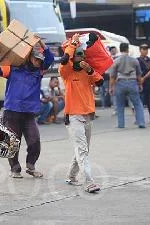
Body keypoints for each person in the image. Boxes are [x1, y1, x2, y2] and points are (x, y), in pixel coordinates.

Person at [0, 37, 54, 178]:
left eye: (40, 61)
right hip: (12, 111)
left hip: (29, 113)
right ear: (29, 58)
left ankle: (31, 166)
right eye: (36, 59)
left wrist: (41, 43)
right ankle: (15, 169)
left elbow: (50, 59)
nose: (38, 62)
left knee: (34, 141)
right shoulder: (14, 69)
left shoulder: (39, 72)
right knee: (12, 142)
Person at [59, 33, 103, 193]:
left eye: (83, 54)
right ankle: (89, 182)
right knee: (82, 149)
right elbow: (63, 60)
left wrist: (90, 69)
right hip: (73, 117)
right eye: (79, 55)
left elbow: (100, 81)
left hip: (87, 116)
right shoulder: (67, 72)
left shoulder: (87, 72)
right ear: (73, 57)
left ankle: (71, 176)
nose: (82, 57)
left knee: (83, 149)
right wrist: (74, 43)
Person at [109, 43, 145, 129]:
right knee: (137, 104)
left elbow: (113, 76)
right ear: (127, 49)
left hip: (120, 83)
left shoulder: (116, 61)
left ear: (120, 50)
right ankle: (141, 123)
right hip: (132, 82)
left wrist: (111, 87)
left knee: (120, 104)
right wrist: (140, 84)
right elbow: (139, 74)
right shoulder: (134, 60)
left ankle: (121, 124)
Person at [137, 44, 150, 124]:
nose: (145, 51)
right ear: (140, 50)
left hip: (149, 84)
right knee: (140, 103)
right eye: (143, 49)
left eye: (146, 49)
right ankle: (139, 119)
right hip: (141, 84)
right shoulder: (137, 60)